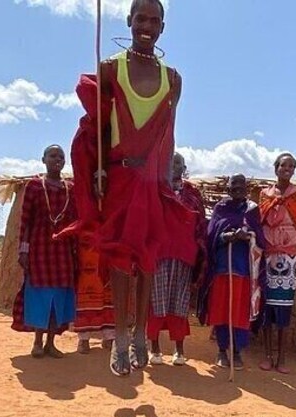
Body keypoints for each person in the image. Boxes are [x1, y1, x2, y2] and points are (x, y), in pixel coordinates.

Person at [62, 0, 189, 376]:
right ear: (129, 22)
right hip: (118, 176)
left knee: (148, 259)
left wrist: (166, 180)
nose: (146, 26)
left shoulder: (173, 78)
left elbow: (170, 133)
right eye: (140, 19)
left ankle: (138, 333)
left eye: (154, 20)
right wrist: (99, 169)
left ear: (163, 27)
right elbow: (98, 125)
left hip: (152, 180)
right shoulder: (109, 68)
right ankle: (118, 338)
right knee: (120, 259)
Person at [12, 145, 77, 358]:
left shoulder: (70, 189)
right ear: (43, 159)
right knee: (40, 296)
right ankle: (37, 342)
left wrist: (76, 253)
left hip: (63, 252)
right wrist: (23, 251)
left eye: (60, 156)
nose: (56, 159)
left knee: (59, 298)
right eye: (52, 155)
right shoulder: (34, 186)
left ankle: (51, 343)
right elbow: (25, 221)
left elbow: (76, 221)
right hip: (39, 249)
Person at [198, 175, 267, 370]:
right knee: (222, 310)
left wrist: (248, 235)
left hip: (244, 269)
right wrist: (228, 236)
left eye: (241, 187)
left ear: (247, 189)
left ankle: (236, 351)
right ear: (228, 190)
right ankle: (221, 350)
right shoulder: (221, 208)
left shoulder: (252, 210)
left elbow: (260, 239)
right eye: (233, 187)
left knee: (239, 313)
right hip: (223, 268)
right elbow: (211, 235)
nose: (237, 190)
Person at [148, 152, 206, 366]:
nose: (174, 167)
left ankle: (179, 351)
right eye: (170, 163)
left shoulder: (192, 192)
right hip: (159, 254)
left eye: (178, 163)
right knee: (157, 301)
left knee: (179, 303)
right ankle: (154, 349)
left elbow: (200, 223)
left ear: (184, 167)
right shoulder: (156, 190)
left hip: (184, 256)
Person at [258, 153, 296, 374]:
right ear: (275, 168)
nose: (286, 168)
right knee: (268, 308)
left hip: (288, 259)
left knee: (284, 309)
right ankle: (268, 356)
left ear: (294, 169)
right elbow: (260, 220)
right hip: (268, 257)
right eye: (283, 165)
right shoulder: (265, 194)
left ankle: (282, 358)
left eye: (291, 165)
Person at [74, 242, 116, 354]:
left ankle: (109, 336)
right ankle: (84, 338)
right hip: (86, 243)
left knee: (109, 289)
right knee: (86, 288)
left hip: (108, 240)